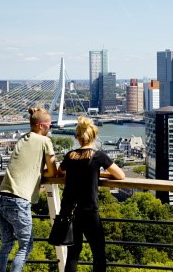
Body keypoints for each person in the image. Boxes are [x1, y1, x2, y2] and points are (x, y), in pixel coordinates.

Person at [57, 116, 125, 272]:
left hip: (69, 209)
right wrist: (100, 174)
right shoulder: (98, 156)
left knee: (73, 253)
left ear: (77, 137)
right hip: (89, 210)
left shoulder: (70, 155)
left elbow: (60, 171)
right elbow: (120, 175)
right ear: (94, 136)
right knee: (98, 252)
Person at [0, 107, 57, 272]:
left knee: (7, 244)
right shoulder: (45, 141)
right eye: (49, 126)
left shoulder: (22, 138)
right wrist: (42, 172)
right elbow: (53, 172)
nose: (50, 129)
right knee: (26, 246)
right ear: (40, 125)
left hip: (2, 197)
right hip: (19, 201)